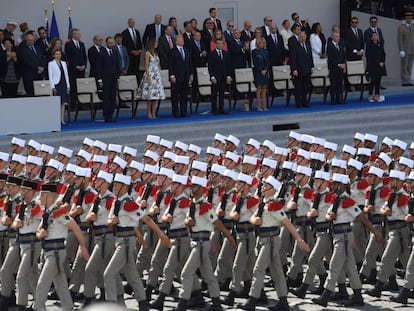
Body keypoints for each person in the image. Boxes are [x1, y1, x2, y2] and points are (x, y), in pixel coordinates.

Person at [33, 182, 90, 311]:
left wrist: (82, 246)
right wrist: (40, 234)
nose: (39, 198)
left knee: (43, 282)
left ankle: (38, 307)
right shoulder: (47, 212)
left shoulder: (58, 212)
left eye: (42, 195)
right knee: (60, 282)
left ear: (50, 196)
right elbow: (38, 231)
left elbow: (75, 227)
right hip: (48, 251)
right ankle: (68, 306)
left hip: (56, 251)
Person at [137, 38, 165, 119]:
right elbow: (146, 65)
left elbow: (158, 64)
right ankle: (149, 112)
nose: (157, 44)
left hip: (156, 74)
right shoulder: (147, 53)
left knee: (155, 95)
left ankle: (154, 112)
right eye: (155, 43)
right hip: (150, 73)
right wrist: (148, 77)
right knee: (150, 95)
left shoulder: (156, 53)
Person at [96, 37, 120, 123]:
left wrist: (117, 78)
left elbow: (117, 66)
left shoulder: (115, 52)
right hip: (105, 79)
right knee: (106, 98)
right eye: (109, 43)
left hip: (113, 79)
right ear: (106, 43)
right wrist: (99, 80)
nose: (111, 45)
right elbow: (98, 67)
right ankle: (106, 116)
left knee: (113, 98)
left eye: (112, 43)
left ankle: (111, 114)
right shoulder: (101, 53)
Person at [168, 35, 193, 118]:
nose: (183, 40)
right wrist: (171, 75)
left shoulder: (187, 50)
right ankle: (175, 112)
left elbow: (189, 63)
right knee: (175, 95)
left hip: (185, 75)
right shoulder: (172, 51)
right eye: (181, 39)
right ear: (176, 41)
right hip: (176, 75)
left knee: (184, 95)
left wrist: (191, 74)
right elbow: (170, 64)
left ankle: (184, 111)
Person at [65, 28, 87, 109]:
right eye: (77, 34)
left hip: (82, 70)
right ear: (73, 35)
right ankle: (73, 106)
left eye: (79, 34)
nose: (79, 35)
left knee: (81, 88)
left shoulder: (82, 44)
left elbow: (84, 56)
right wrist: (76, 66)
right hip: (73, 70)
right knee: (74, 88)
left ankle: (81, 104)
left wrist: (84, 65)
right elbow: (69, 57)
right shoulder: (68, 44)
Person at [290, 31, 313, 108]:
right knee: (298, 88)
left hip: (306, 69)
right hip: (298, 70)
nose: (303, 38)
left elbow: (310, 57)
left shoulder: (307, 45)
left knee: (305, 87)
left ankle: (305, 102)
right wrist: (294, 69)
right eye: (301, 37)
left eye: (304, 37)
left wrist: (311, 67)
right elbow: (293, 59)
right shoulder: (295, 46)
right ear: (298, 38)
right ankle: (298, 103)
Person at [208, 38, 232, 115]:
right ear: (216, 44)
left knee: (222, 93)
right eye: (218, 44)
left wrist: (228, 76)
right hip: (215, 76)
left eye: (221, 44)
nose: (220, 45)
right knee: (214, 94)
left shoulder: (226, 53)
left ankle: (221, 109)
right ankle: (214, 109)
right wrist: (212, 77)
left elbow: (228, 66)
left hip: (223, 76)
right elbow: (210, 66)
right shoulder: (212, 54)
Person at [48, 49, 70, 125]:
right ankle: (56, 119)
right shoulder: (51, 64)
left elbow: (66, 74)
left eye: (59, 54)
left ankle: (62, 119)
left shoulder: (63, 63)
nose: (58, 55)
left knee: (63, 102)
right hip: (56, 84)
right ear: (54, 55)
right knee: (57, 102)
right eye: (56, 54)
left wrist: (68, 85)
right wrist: (52, 86)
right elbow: (50, 76)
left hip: (63, 83)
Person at [327, 31, 346, 105]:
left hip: (341, 68)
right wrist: (338, 64)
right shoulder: (330, 46)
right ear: (332, 37)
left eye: (338, 36)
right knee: (333, 84)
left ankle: (339, 98)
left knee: (340, 84)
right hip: (333, 68)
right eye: (336, 36)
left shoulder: (341, 45)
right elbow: (331, 58)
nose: (337, 38)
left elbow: (343, 55)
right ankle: (333, 99)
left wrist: (343, 63)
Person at [366, 32, 386, 102]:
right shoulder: (369, 45)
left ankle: (377, 95)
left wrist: (382, 61)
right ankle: (370, 95)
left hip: (380, 66)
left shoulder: (380, 44)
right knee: (373, 81)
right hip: (373, 66)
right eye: (374, 36)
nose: (375, 37)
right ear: (371, 38)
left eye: (376, 35)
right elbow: (370, 56)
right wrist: (378, 62)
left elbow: (383, 54)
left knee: (378, 81)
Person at [252, 37, 270, 111]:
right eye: (260, 43)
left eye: (263, 43)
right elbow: (255, 63)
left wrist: (265, 69)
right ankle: (259, 106)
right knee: (259, 88)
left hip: (265, 72)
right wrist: (261, 70)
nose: (262, 44)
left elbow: (268, 61)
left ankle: (264, 105)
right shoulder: (254, 52)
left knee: (264, 89)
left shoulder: (266, 51)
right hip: (258, 72)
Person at [397, 11, 414, 86]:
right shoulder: (401, 27)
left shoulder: (413, 26)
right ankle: (404, 81)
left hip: (412, 49)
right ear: (405, 18)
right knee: (404, 66)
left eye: (410, 18)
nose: (409, 19)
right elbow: (399, 39)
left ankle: (408, 80)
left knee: (409, 66)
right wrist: (401, 50)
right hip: (405, 49)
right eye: (408, 18)